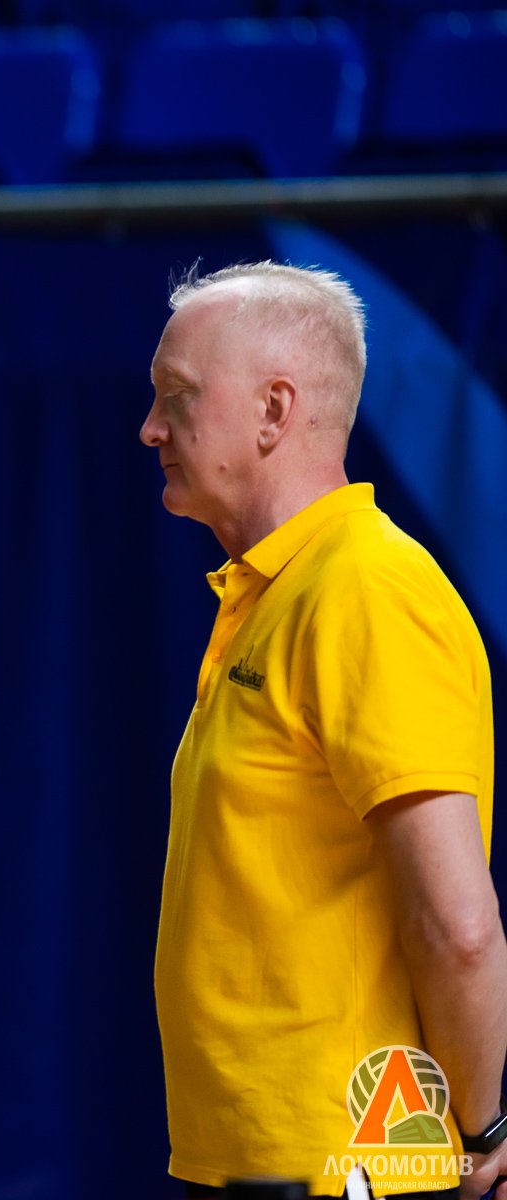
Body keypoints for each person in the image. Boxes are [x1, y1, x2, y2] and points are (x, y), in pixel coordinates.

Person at [141, 262, 506, 1199]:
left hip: (353, 1166)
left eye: (176, 395)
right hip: (266, 1162)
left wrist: (482, 1133)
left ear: (274, 411)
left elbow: (459, 926)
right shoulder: (281, 592)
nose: (150, 428)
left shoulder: (367, 590)